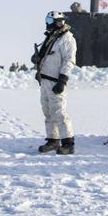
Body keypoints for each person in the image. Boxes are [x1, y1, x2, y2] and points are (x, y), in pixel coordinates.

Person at [31, 11, 77, 155]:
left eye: (50, 20)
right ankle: (53, 139)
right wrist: (37, 58)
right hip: (45, 79)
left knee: (59, 112)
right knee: (48, 111)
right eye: (47, 19)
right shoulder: (51, 37)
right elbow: (48, 55)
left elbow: (69, 61)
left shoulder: (67, 39)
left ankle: (68, 143)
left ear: (59, 22)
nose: (47, 23)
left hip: (56, 81)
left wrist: (62, 80)